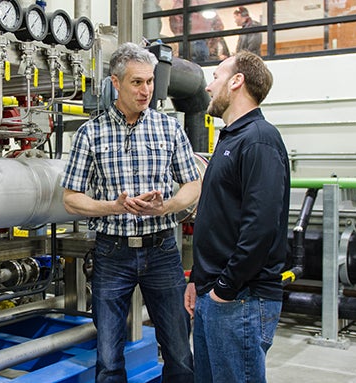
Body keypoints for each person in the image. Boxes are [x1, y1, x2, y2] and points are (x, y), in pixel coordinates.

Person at [60, 42, 200, 383]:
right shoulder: (89, 134)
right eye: (137, 82)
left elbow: (194, 185)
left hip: (163, 250)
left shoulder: (169, 129)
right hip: (112, 252)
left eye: (150, 82)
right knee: (108, 358)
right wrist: (112, 207)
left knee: (180, 353)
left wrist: (165, 206)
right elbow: (70, 198)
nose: (146, 90)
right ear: (115, 83)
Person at [184, 51, 290, 383]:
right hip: (214, 292)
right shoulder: (232, 138)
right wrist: (197, 280)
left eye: (215, 76)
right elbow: (218, 219)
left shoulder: (259, 139)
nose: (207, 87)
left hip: (240, 298)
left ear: (236, 80)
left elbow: (260, 227)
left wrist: (225, 289)